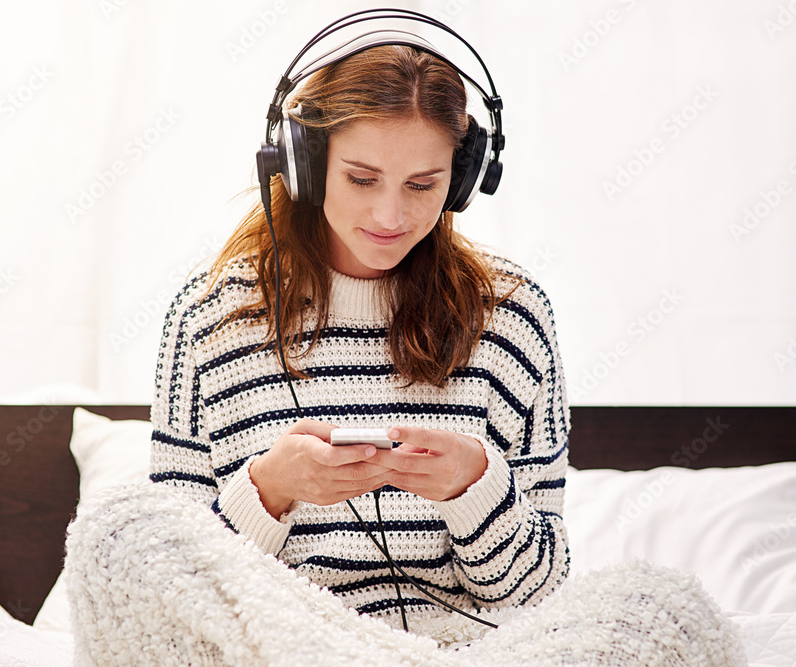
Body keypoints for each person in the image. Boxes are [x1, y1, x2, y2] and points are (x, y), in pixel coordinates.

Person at [149, 38, 570, 632]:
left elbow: (541, 596)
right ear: (304, 162)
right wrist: (268, 489)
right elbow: (164, 592)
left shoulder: (510, 314)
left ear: (463, 180)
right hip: (282, 646)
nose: (390, 218)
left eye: (422, 185)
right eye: (362, 178)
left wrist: (476, 489)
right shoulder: (211, 314)